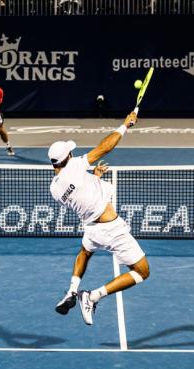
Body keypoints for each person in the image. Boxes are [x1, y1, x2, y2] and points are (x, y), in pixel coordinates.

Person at [50, 111, 150, 325]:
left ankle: (71, 291)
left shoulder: (54, 189)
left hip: (91, 229)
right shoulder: (75, 166)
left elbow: (79, 192)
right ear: (67, 158)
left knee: (85, 252)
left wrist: (94, 177)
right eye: (70, 153)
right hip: (111, 230)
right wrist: (125, 125)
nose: (73, 155)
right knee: (142, 272)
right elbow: (105, 147)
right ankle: (93, 296)